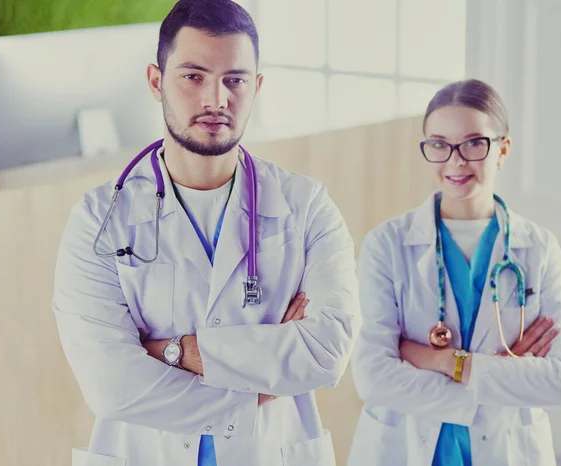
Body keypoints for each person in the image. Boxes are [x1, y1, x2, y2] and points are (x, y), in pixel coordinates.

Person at [52, 1, 361, 465]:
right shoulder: (100, 219)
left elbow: (326, 351)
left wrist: (173, 352)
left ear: (256, 87)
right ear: (156, 81)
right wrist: (259, 386)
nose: (216, 100)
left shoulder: (306, 207)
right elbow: (112, 386)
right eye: (193, 76)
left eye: (235, 80)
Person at [347, 79, 561, 466]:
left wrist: (447, 362)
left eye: (473, 143)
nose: (455, 161)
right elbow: (373, 376)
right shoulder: (386, 244)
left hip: (508, 451)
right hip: (404, 448)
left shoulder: (538, 248)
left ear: (503, 149)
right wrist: (496, 380)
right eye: (439, 144)